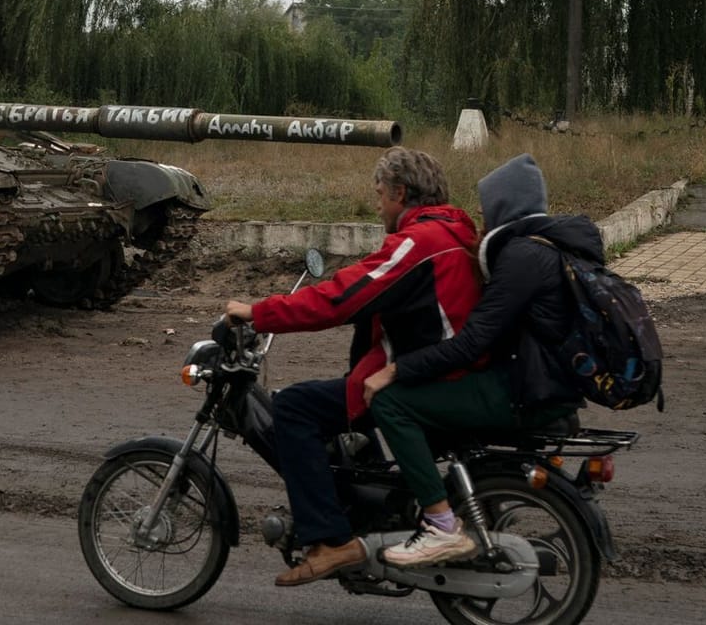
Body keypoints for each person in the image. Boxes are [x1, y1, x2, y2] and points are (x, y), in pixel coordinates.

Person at [223, 147, 481, 586]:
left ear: (400, 193)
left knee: (295, 407)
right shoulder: (451, 232)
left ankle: (327, 541)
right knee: (339, 398)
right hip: (435, 370)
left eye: (380, 194)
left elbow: (340, 299)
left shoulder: (420, 243)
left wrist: (258, 312)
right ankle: (368, 512)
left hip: (424, 379)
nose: (377, 203)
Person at [361, 153, 599, 568]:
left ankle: (440, 524)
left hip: (526, 390)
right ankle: (461, 503)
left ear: (505, 207)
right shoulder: (554, 247)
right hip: (556, 387)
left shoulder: (521, 258)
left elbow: (472, 343)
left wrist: (396, 369)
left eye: (488, 210)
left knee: (391, 402)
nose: (482, 221)